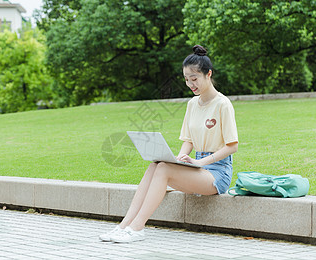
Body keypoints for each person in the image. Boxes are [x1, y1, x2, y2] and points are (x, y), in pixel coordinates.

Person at [100, 45, 239, 243]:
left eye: (194, 79)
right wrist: (181, 158)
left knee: (164, 169)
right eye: (186, 79)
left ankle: (137, 228)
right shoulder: (192, 104)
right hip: (196, 166)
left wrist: (201, 163)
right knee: (156, 165)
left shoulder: (223, 104)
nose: (191, 84)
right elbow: (188, 140)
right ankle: (124, 226)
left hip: (217, 173)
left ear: (208, 74)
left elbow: (232, 146)